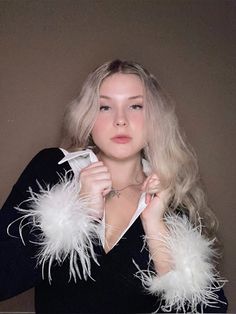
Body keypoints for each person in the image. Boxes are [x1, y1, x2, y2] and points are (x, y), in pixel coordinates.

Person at [0, 59, 228, 313]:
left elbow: (208, 309)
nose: (121, 120)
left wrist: (155, 225)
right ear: (87, 116)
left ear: (155, 118)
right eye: (105, 107)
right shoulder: (53, 169)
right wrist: (79, 211)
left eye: (136, 106)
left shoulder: (170, 203)